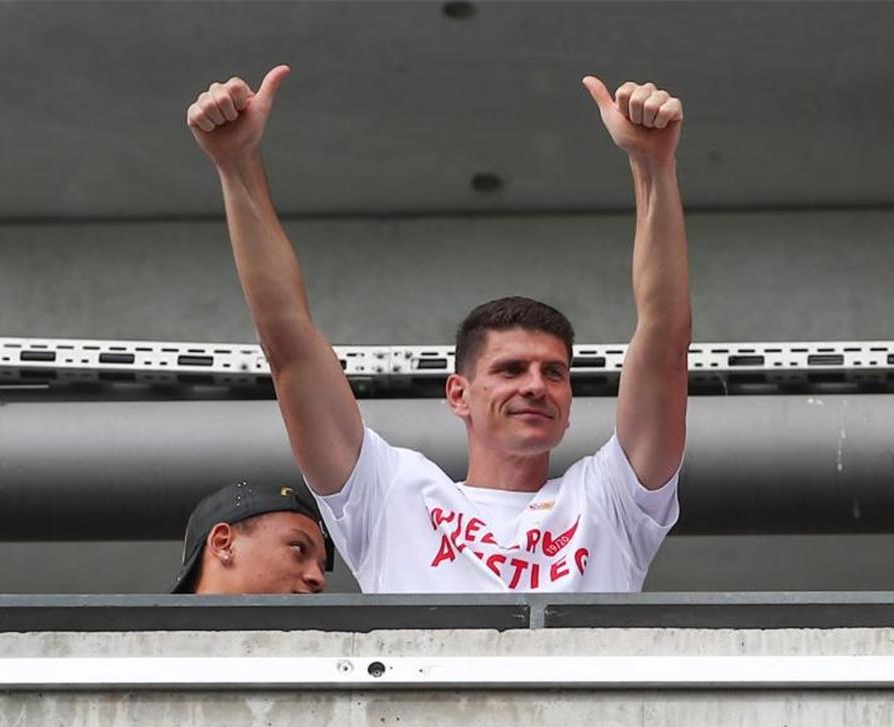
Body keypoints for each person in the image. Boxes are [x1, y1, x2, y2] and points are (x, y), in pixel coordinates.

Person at [186, 65, 689, 592]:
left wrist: (653, 165)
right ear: (458, 393)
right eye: (510, 369)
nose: (536, 386)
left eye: (554, 373)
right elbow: (287, 341)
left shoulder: (609, 499)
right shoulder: (390, 495)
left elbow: (664, 344)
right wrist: (236, 162)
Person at [169, 480, 333, 594]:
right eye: (298, 548)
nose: (318, 579)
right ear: (223, 543)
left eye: (322, 568)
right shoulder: (148, 640)